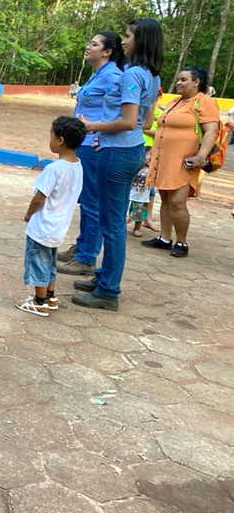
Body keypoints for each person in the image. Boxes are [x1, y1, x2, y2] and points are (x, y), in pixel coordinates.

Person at [74, 17, 163, 311]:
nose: (124, 41)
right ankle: (103, 277)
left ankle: (109, 290)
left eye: (128, 36)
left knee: (111, 224)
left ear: (140, 40)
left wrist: (92, 127)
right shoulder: (152, 76)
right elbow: (145, 122)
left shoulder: (132, 74)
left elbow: (127, 121)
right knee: (112, 220)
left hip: (117, 153)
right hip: (130, 149)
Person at [58, 32, 125, 276]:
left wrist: (99, 131)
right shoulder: (98, 74)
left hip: (94, 144)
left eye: (94, 44)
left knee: (92, 201)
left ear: (107, 52)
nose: (88, 47)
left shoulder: (114, 76)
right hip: (84, 142)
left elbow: (121, 111)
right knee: (85, 199)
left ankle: (87, 257)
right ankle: (82, 246)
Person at [142, 66, 220, 257]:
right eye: (178, 79)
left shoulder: (204, 102)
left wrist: (201, 157)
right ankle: (165, 238)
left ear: (196, 82)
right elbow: (162, 130)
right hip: (164, 158)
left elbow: (211, 131)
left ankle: (182, 242)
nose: (178, 83)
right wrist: (151, 152)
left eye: (184, 79)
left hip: (185, 160)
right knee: (166, 198)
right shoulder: (175, 102)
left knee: (177, 201)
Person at [16, 117, 85, 317]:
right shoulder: (78, 166)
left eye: (51, 136)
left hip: (42, 226)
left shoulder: (54, 169)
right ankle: (50, 296)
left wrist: (28, 214)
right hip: (58, 227)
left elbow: (39, 197)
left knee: (39, 262)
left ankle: (39, 301)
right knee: (50, 262)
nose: (50, 140)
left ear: (60, 140)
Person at [141, 90, 164, 232]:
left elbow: (161, 134)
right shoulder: (139, 109)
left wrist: (141, 127)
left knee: (149, 187)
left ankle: (147, 218)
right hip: (137, 147)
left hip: (150, 150)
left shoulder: (161, 114)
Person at [128, 152, 152, 238]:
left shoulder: (150, 170)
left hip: (141, 197)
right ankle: (122, 227)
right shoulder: (135, 167)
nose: (147, 161)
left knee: (140, 215)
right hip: (129, 195)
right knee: (124, 213)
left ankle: (137, 228)